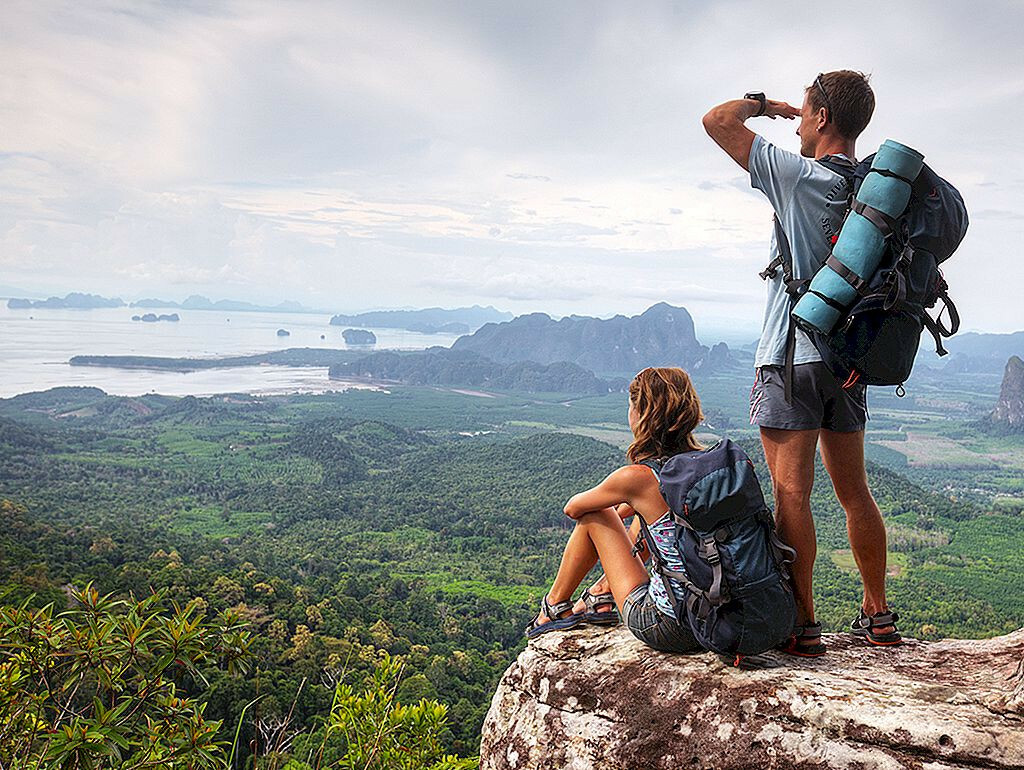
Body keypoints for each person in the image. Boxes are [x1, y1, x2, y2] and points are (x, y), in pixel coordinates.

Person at [701, 71, 901, 655]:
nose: (796, 123)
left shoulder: (797, 176)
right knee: (855, 492)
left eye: (805, 112)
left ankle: (803, 622)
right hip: (849, 362)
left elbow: (717, 121)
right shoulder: (876, 193)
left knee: (792, 493)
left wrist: (765, 105)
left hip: (790, 357)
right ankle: (878, 613)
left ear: (821, 118)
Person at [526, 367, 705, 653]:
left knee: (596, 514)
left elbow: (574, 508)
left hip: (672, 627)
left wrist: (622, 501)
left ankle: (554, 606)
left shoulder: (638, 477)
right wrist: (631, 505)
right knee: (649, 519)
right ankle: (601, 593)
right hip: (722, 619)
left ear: (641, 415)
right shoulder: (705, 465)